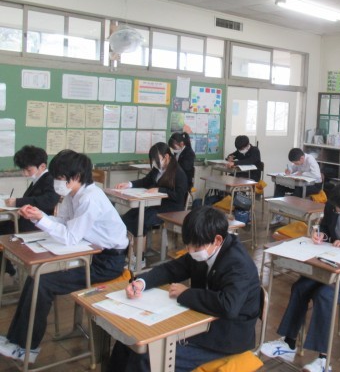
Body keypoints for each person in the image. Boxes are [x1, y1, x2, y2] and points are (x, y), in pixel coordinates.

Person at [0, 150, 128, 364]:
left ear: (76, 176)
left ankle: (26, 348)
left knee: (43, 282)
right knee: (35, 277)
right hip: (89, 251)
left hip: (107, 262)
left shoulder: (90, 198)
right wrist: (40, 216)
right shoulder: (72, 194)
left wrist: (42, 220)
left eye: (60, 177)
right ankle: (15, 340)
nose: (57, 182)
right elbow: (64, 223)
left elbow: (70, 236)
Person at [108, 206, 261, 372]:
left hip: (225, 336)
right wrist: (142, 282)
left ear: (217, 240)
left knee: (148, 357)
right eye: (188, 245)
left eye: (195, 247)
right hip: (200, 321)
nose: (190, 251)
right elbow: (172, 269)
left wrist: (186, 294)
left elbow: (228, 306)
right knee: (129, 341)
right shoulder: (206, 247)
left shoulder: (238, 264)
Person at [261, 182, 340, 372]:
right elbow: (326, 227)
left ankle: (323, 359)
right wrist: (321, 235)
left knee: (325, 295)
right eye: (334, 208)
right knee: (300, 287)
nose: (335, 211)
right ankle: (289, 343)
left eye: (339, 209)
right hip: (330, 263)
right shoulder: (332, 207)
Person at [1, 145, 59, 278]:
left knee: (3, 231)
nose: (25, 174)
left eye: (28, 170)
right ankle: (7, 266)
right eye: (23, 170)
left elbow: (49, 200)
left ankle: (7, 266)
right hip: (28, 220)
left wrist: (18, 202)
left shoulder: (50, 179)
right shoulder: (38, 179)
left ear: (42, 166)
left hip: (37, 224)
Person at [116, 142, 189, 239]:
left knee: (142, 220)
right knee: (129, 216)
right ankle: (125, 244)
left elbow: (179, 196)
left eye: (156, 159)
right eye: (153, 160)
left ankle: (137, 247)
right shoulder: (157, 169)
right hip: (155, 204)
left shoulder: (179, 173)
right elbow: (145, 181)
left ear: (166, 157)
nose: (154, 162)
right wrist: (129, 184)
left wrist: (159, 190)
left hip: (170, 208)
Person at [271, 148, 322, 225]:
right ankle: (277, 212)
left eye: (296, 163)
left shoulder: (310, 160)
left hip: (314, 185)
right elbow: (293, 168)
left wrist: (303, 173)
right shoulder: (298, 160)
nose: (296, 164)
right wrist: (289, 171)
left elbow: (317, 175)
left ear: (302, 158)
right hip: (300, 184)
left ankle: (287, 213)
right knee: (280, 185)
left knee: (297, 191)